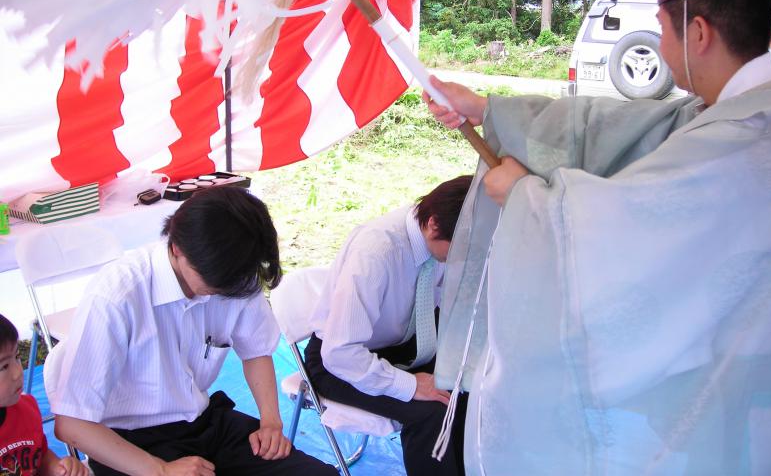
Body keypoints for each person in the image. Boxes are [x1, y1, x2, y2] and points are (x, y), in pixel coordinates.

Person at [426, 0, 771, 476]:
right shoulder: (760, 116)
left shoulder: (746, 148)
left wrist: (523, 199)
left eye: (662, 26)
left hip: (727, 427)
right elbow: (617, 125)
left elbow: (609, 244)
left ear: (698, 33)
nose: (662, 46)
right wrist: (486, 109)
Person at [50, 187, 337, 476]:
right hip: (131, 445)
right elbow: (71, 424)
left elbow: (256, 351)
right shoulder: (116, 296)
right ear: (177, 248)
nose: (225, 291)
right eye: (214, 283)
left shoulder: (236, 272)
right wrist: (161, 471)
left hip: (205, 423)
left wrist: (271, 422)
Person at [304, 175, 472, 476]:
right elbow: (340, 352)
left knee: (469, 385)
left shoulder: (436, 238)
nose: (464, 256)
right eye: (461, 248)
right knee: (431, 412)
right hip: (339, 361)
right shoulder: (376, 251)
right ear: (433, 224)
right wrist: (409, 385)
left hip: (402, 343)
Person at [0, 313, 88, 476]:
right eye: (4, 366)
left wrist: (58, 468)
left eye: (17, 357)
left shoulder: (26, 409)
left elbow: (39, 456)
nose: (18, 373)